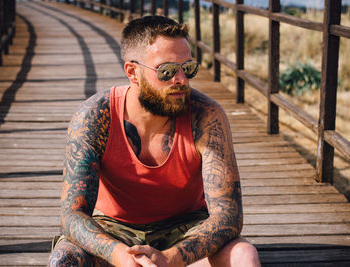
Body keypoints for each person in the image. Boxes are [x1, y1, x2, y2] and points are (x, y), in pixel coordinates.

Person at [49, 15, 260, 267]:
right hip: (114, 230)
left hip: (186, 229)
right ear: (133, 72)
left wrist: (171, 258)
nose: (180, 80)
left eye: (188, 68)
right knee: (64, 259)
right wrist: (118, 255)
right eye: (167, 71)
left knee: (243, 256)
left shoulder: (206, 116)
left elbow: (228, 216)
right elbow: (73, 215)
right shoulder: (95, 116)